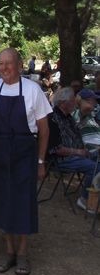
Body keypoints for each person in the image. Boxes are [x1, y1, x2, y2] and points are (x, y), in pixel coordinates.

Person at [0, 48, 52, 275]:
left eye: (8, 63)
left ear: (20, 65)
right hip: (0, 155)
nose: (4, 68)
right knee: (3, 200)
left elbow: (44, 130)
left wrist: (41, 161)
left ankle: (23, 253)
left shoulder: (33, 90)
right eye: (0, 64)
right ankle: (9, 250)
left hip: (25, 153)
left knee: (23, 202)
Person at [48, 87, 97, 215]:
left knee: (98, 160)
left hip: (77, 155)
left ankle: (96, 196)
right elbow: (55, 149)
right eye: (72, 101)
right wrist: (79, 152)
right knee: (95, 168)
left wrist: (84, 151)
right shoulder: (52, 119)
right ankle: (85, 199)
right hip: (64, 159)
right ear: (63, 103)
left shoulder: (68, 117)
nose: (75, 104)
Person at [71, 89, 100, 154]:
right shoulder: (77, 114)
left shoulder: (90, 116)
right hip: (93, 152)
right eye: (93, 100)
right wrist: (79, 100)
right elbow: (86, 108)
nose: (95, 103)